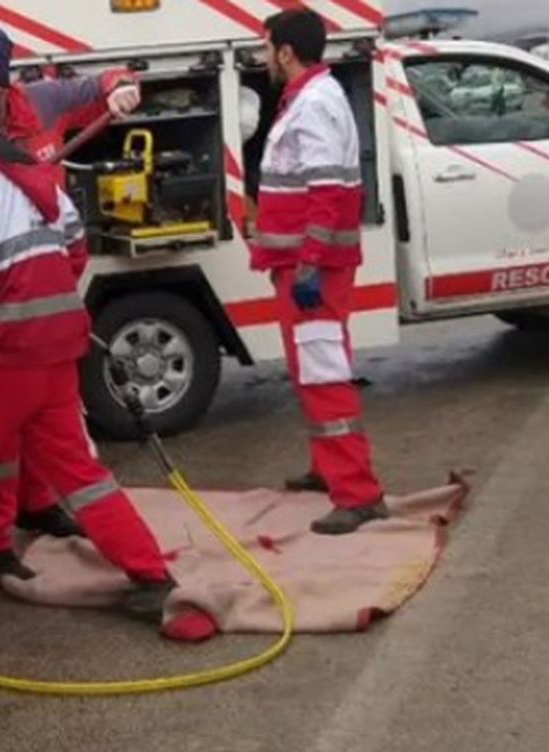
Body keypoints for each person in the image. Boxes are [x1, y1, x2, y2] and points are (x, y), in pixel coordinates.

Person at [0, 79, 214, 658]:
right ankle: (151, 579)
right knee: (80, 475)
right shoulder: (26, 161)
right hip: (55, 350)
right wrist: (43, 300)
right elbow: (73, 244)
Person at [0, 26, 142, 581]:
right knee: (8, 433)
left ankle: (29, 514)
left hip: (28, 303)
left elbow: (103, 82)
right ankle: (1, 540)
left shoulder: (40, 104)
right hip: (5, 312)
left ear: (5, 86)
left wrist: (121, 87)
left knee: (7, 437)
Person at [251, 9, 388, 535]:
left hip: (314, 270)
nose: (264, 57)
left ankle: (359, 494)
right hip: (304, 265)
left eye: (267, 48)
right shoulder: (310, 98)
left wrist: (308, 264)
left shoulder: (313, 104)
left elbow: (328, 195)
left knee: (324, 373)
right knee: (314, 370)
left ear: (286, 52)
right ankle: (327, 468)